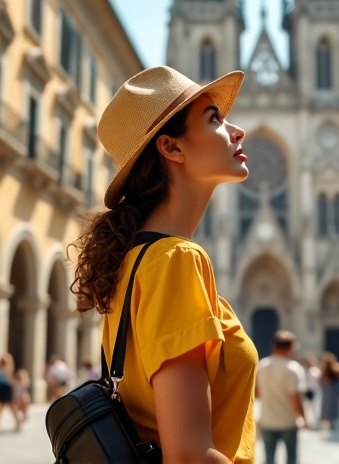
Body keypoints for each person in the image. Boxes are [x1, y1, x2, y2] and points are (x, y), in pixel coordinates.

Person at [68, 65, 258, 464]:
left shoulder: (137, 262)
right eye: (215, 120)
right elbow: (189, 455)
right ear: (172, 148)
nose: (237, 131)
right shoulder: (176, 261)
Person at [256, 330, 306, 464]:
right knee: (291, 458)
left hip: (267, 420)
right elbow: (296, 398)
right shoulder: (293, 368)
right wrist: (304, 418)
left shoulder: (262, 365)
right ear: (291, 347)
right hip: (288, 421)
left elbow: (257, 393)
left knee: (269, 459)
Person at [318, 352, 339, 429]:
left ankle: (330, 420)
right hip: (330, 390)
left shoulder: (335, 369)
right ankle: (330, 420)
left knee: (329, 405)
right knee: (329, 405)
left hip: (330, 390)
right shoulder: (328, 369)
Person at [0, 353, 20, 431]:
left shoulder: (8, 369)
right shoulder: (5, 369)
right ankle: (17, 422)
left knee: (11, 407)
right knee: (3, 408)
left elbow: (10, 380)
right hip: (3, 388)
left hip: (5, 389)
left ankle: (18, 422)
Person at [301, 356, 321, 427]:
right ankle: (306, 422)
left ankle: (316, 423)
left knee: (315, 407)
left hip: (314, 391)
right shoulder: (302, 371)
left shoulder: (316, 371)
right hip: (305, 391)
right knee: (306, 407)